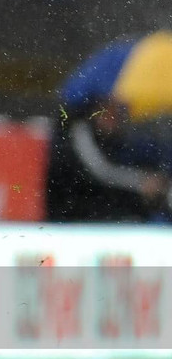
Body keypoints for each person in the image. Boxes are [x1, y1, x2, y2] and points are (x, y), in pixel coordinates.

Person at [46, 31, 172, 222]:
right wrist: (142, 182)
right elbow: (99, 170)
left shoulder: (119, 137)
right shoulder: (77, 132)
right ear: (98, 106)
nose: (118, 116)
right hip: (76, 217)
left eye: (121, 110)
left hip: (111, 213)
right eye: (113, 109)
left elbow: (146, 155)